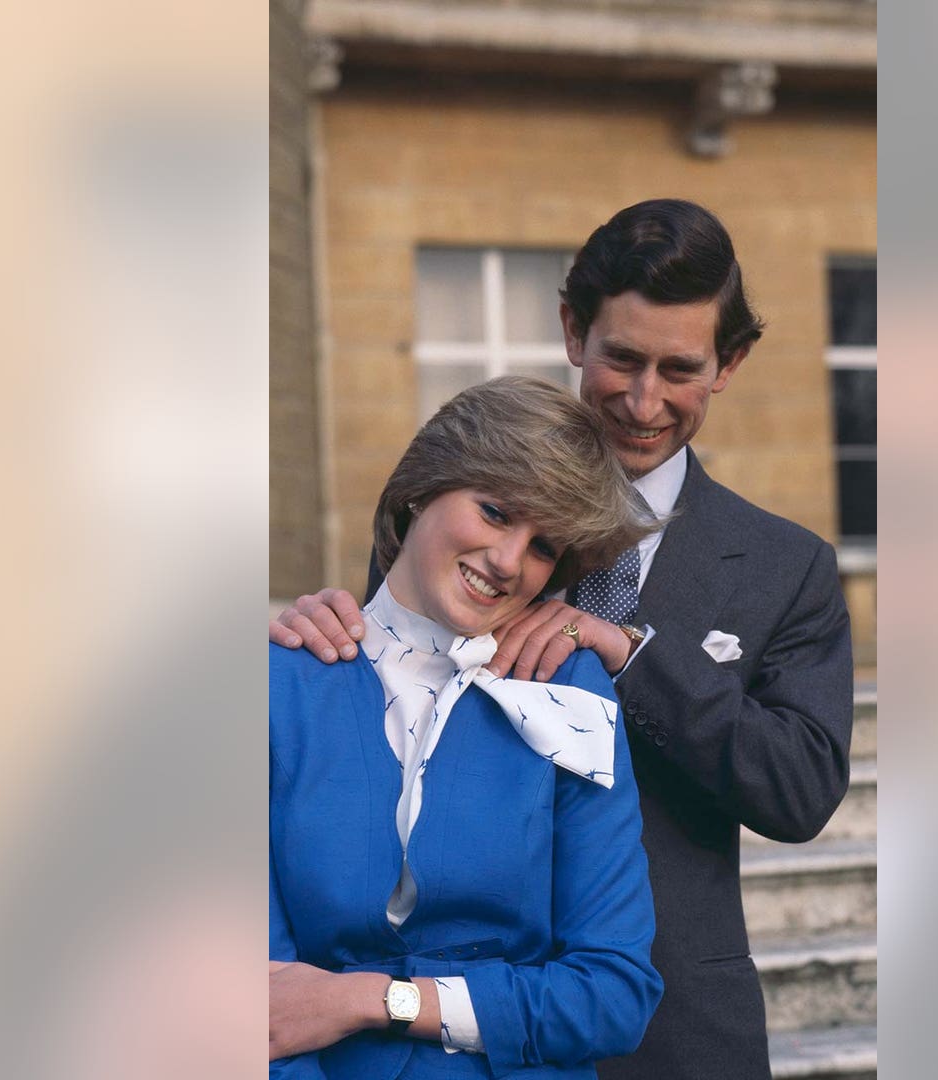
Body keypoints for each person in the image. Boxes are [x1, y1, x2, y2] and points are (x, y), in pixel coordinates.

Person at [273, 199, 855, 1080]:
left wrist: (628, 652)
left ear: (727, 365)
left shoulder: (788, 565)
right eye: (622, 357)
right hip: (447, 1024)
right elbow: (395, 677)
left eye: (679, 368)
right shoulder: (476, 492)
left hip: (671, 1017)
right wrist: (308, 630)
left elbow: (802, 790)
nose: (643, 398)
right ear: (574, 331)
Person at [268, 375, 665, 1080]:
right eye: (494, 512)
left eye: (544, 547)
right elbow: (254, 1006)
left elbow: (613, 993)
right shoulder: (279, 684)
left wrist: (375, 1001)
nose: (510, 562)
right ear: (420, 489)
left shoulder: (569, 690)